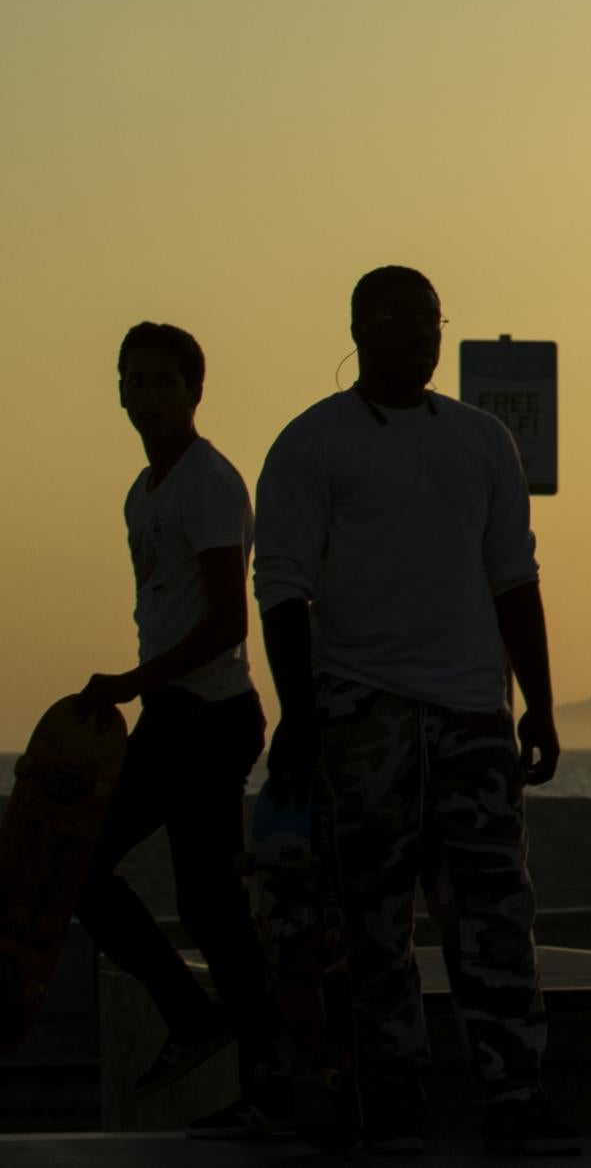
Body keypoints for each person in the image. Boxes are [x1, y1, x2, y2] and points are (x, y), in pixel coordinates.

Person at [253, 267, 577, 1155]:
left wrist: (539, 705)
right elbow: (281, 588)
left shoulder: (481, 443)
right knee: (369, 923)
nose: (427, 338)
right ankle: (391, 1101)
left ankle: (515, 1097)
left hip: (472, 713)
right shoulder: (311, 446)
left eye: (435, 321)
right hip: (365, 714)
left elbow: (515, 577)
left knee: (495, 918)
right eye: (405, 321)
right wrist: (304, 712)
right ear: (359, 328)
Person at [74, 322, 282, 1139]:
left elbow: (228, 620)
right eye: (136, 381)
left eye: (164, 381)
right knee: (197, 903)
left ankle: (237, 1055)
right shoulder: (143, 491)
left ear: (196, 391)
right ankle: (228, 1048)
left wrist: (130, 683)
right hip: (172, 716)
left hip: (208, 716)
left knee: (172, 892)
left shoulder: (208, 483)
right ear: (119, 391)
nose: (149, 396)